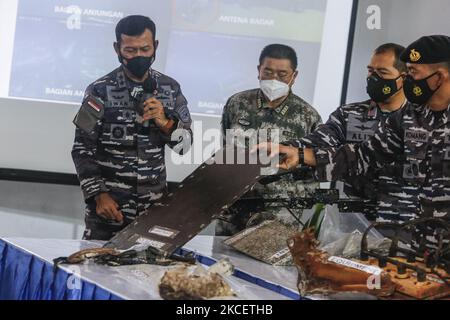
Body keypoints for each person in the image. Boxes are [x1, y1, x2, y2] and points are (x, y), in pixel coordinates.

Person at [256, 35, 450, 228]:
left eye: (413, 72)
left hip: (428, 232)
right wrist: (297, 153)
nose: (410, 78)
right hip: (387, 233)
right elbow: (362, 157)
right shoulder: (408, 117)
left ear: (439, 77)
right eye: (371, 71)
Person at [72, 15, 192, 240]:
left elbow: (185, 145)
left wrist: (165, 122)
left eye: (145, 49)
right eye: (130, 50)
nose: (138, 56)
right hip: (110, 210)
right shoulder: (99, 90)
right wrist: (98, 194)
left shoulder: (170, 88)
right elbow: (81, 149)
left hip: (154, 210)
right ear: (117, 48)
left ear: (155, 46)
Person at [298, 43, 418, 222]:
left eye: (383, 73)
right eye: (371, 71)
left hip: (403, 224)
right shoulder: (349, 114)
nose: (374, 78)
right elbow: (316, 141)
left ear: (404, 78)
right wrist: (285, 150)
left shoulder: (420, 120)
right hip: (351, 222)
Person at [217, 44, 322, 235]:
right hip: (234, 211)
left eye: (282, 74)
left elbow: (312, 170)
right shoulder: (237, 103)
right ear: (259, 70)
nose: (274, 79)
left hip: (279, 217)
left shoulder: (308, 116)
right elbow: (225, 149)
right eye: (268, 72)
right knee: (223, 264)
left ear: (294, 76)